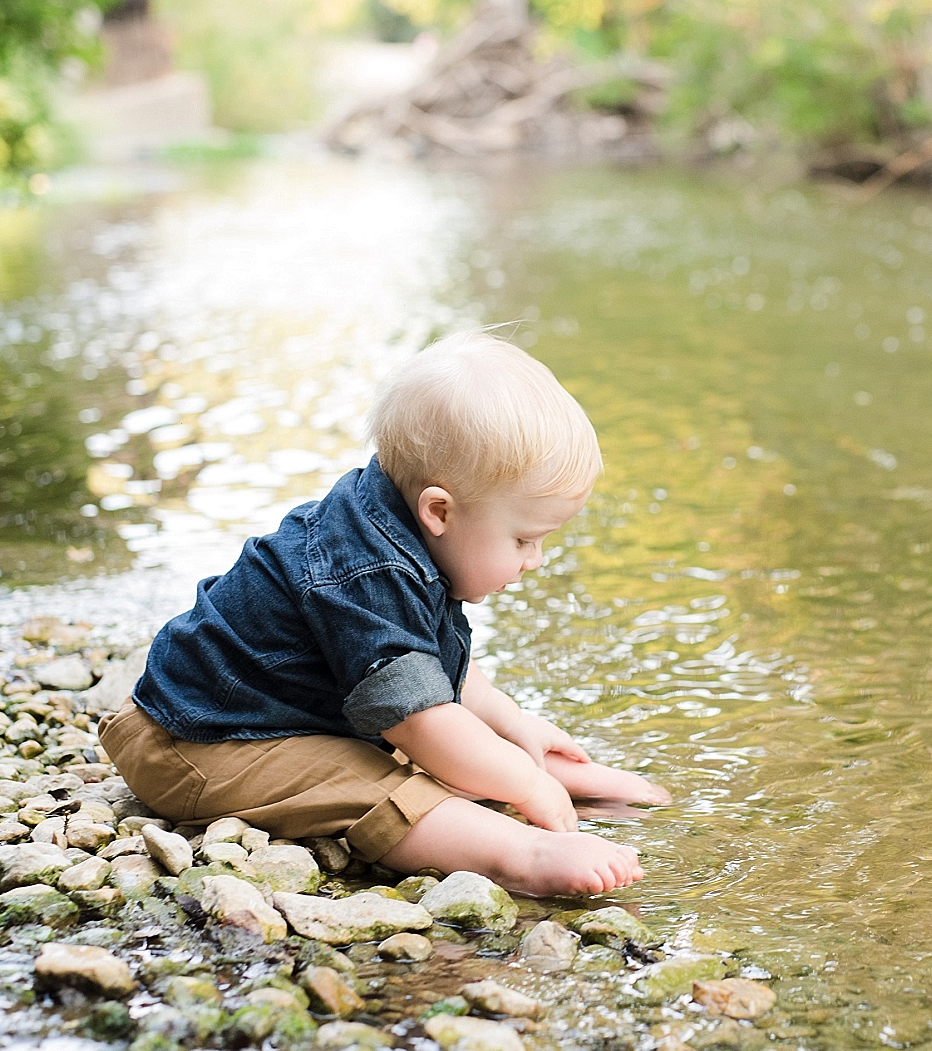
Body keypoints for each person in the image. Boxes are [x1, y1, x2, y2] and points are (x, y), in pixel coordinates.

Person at [99, 332, 668, 897]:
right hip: (195, 745)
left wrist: (515, 727)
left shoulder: (403, 527)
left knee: (432, 738)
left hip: (256, 714)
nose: (534, 561)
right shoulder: (366, 572)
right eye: (524, 539)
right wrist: (522, 783)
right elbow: (422, 718)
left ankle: (517, 773)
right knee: (369, 782)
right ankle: (520, 854)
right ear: (439, 509)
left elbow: (432, 670)